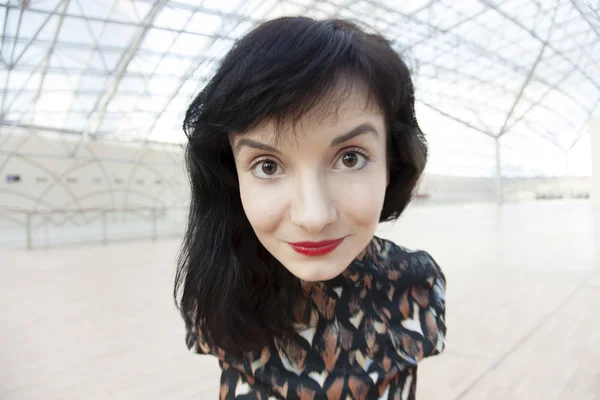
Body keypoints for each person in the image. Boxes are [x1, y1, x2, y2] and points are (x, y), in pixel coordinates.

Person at [174, 16, 447, 400]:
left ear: (391, 163)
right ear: (232, 178)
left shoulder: (417, 285)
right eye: (267, 166)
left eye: (350, 158)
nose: (314, 217)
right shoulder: (219, 286)